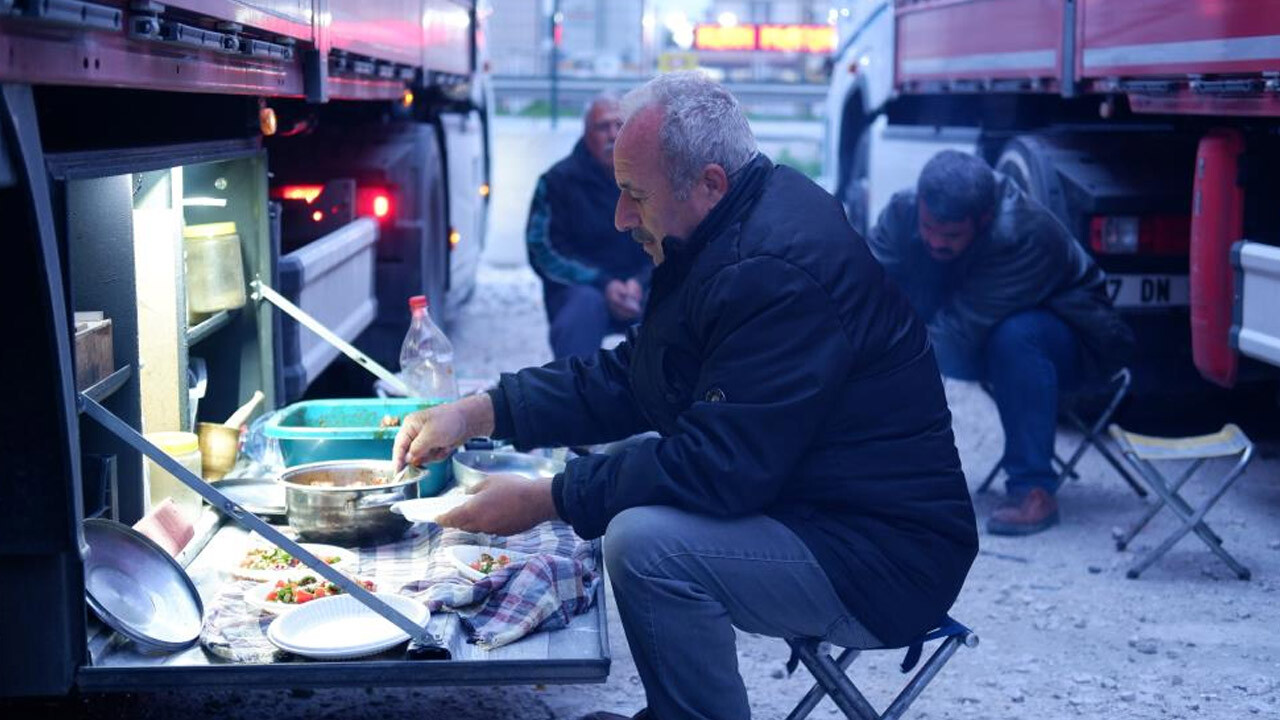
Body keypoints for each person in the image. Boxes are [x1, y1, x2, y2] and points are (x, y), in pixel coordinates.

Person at [394, 72, 977, 720]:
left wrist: (547, 499)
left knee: (646, 543)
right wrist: (481, 411)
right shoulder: (728, 234)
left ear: (708, 184)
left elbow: (720, 468)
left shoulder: (774, 270)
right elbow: (636, 378)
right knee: (635, 477)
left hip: (883, 556)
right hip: (820, 504)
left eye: (634, 196)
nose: (620, 218)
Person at [867, 150, 1135, 537]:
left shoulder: (1025, 233)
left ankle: (1034, 489)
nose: (937, 241)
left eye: (952, 234)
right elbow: (863, 291)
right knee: (877, 322)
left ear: (985, 218)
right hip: (973, 332)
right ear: (920, 204)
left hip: (1075, 346)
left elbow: (954, 338)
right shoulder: (901, 212)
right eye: (928, 227)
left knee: (1016, 335)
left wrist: (885, 353)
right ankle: (879, 472)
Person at [527, 92, 651, 359]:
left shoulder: (650, 179)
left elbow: (672, 238)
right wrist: (603, 284)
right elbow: (542, 250)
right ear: (586, 133)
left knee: (672, 307)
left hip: (640, 286)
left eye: (620, 126)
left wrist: (641, 282)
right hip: (582, 289)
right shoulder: (557, 181)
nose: (612, 134)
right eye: (602, 126)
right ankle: (570, 394)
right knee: (583, 307)